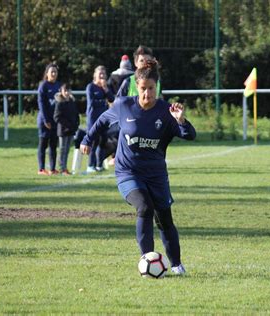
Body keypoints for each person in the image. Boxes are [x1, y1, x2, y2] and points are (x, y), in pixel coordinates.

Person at [80, 60, 196, 275]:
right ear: (137, 87)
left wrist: (181, 121)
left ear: (156, 88)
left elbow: (190, 135)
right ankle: (147, 262)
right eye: (143, 89)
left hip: (156, 175)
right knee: (144, 207)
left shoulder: (166, 111)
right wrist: (87, 139)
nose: (147, 94)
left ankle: (177, 265)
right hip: (128, 172)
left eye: (151, 89)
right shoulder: (124, 105)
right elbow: (103, 120)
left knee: (164, 218)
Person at [85, 65, 114, 173]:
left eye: (103, 74)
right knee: (94, 142)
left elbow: (112, 99)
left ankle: (99, 165)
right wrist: (104, 103)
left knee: (103, 142)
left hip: (104, 120)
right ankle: (90, 166)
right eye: (100, 74)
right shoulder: (90, 87)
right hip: (93, 120)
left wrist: (106, 89)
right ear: (95, 75)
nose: (102, 76)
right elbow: (92, 103)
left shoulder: (105, 87)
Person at [37, 63, 61, 175]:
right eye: (51, 72)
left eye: (55, 72)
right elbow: (41, 104)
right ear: (47, 74)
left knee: (53, 146)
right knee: (43, 144)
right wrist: (46, 120)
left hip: (55, 121)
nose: (54, 74)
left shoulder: (58, 86)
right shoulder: (43, 86)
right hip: (44, 121)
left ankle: (52, 169)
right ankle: (41, 169)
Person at [53, 84, 80, 175]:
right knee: (62, 149)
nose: (67, 93)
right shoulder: (59, 103)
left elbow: (76, 114)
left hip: (71, 130)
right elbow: (57, 117)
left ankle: (64, 168)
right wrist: (67, 125)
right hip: (63, 130)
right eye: (65, 91)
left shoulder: (72, 101)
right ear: (61, 91)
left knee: (67, 150)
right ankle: (61, 168)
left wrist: (76, 124)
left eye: (69, 90)